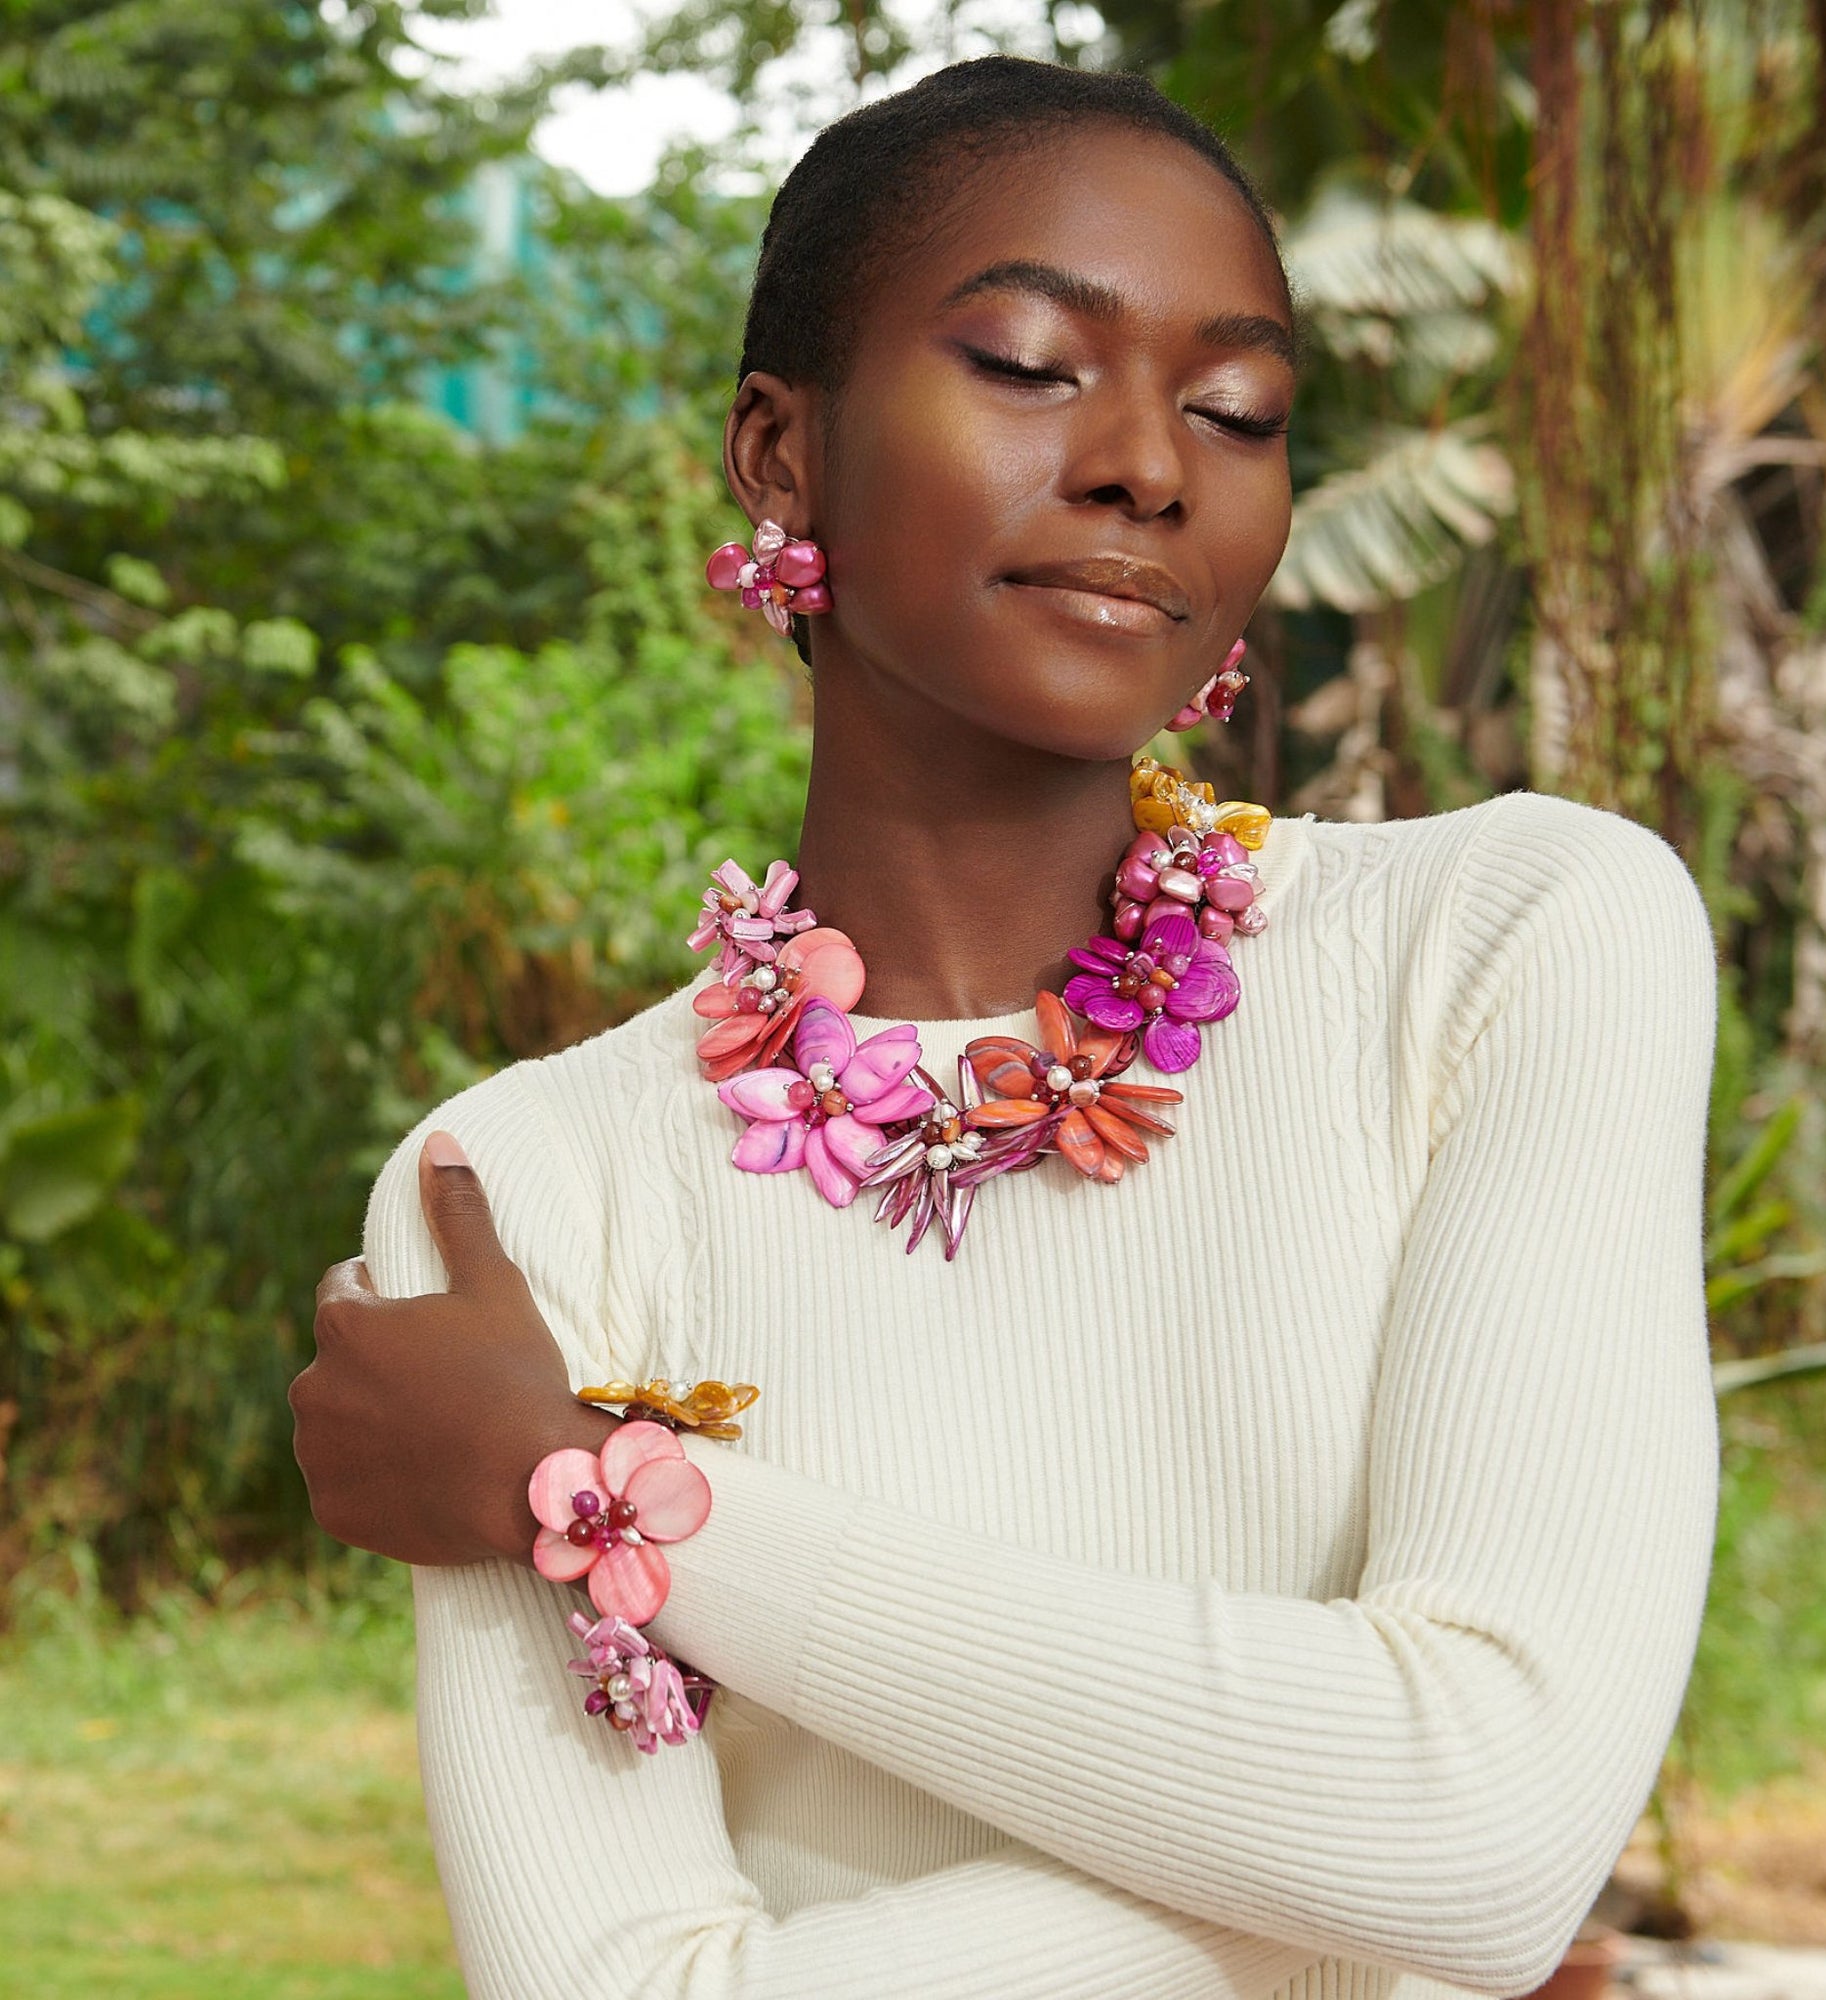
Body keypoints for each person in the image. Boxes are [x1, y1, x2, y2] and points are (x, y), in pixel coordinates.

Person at [289, 54, 1720, 2000]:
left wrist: (597, 1493)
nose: (1151, 460)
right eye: (1036, 365)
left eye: (1235, 407)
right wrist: (1347, 1872)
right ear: (779, 455)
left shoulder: (1512, 940)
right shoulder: (522, 1189)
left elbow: (1481, 1837)